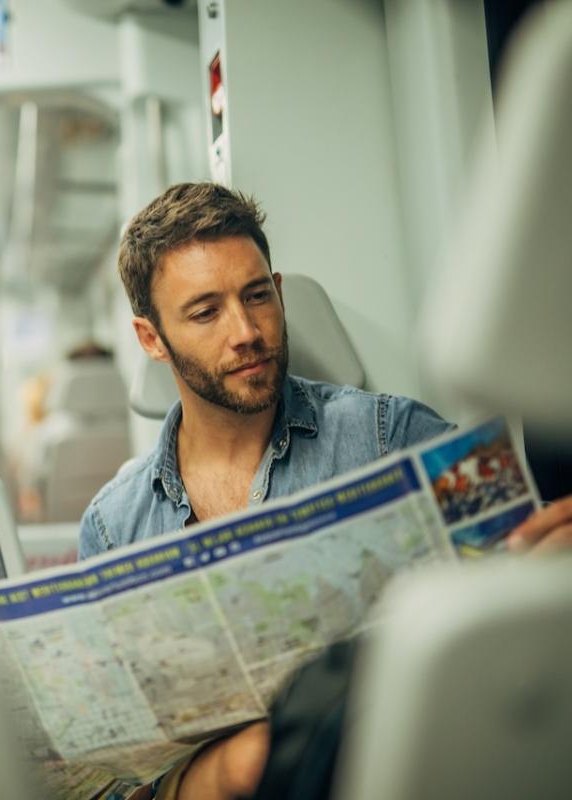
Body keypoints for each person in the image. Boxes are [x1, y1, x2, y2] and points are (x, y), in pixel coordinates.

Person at [78, 182, 572, 800]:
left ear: (279, 292)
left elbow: (523, 579)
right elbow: (109, 779)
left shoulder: (389, 436)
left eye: (257, 296)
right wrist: (217, 776)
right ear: (152, 339)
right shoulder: (113, 525)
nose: (246, 331)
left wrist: (549, 549)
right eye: (205, 312)